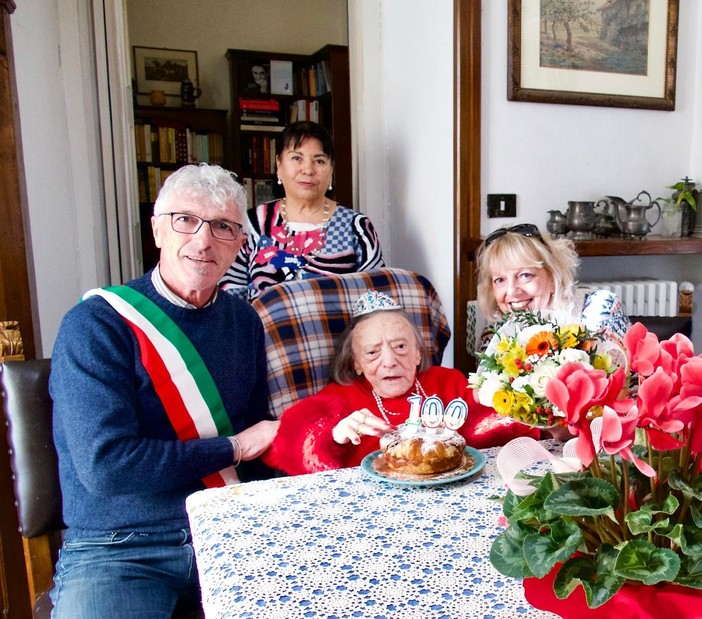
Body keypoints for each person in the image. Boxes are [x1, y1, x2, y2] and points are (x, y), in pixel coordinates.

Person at [49, 163, 279, 618]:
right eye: (185, 220)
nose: (203, 239)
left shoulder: (243, 320)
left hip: (227, 526)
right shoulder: (96, 324)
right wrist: (231, 448)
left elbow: (262, 435)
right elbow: (108, 467)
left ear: (239, 244)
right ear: (157, 230)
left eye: (223, 226)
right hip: (118, 547)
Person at [263, 290, 538, 476]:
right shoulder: (337, 399)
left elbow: (503, 424)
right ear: (356, 362)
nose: (390, 361)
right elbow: (290, 447)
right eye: (372, 352)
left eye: (401, 347)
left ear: (418, 353)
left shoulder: (448, 382)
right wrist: (333, 434)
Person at [220, 121, 385, 301]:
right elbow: (229, 294)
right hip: (261, 328)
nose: (308, 170)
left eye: (319, 161)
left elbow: (377, 296)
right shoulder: (251, 224)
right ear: (279, 164)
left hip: (339, 329)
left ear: (331, 170)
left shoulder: (356, 227)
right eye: (296, 158)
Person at [474, 223, 630, 347]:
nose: (512, 291)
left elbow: (625, 383)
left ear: (553, 277)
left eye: (525, 275)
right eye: (500, 280)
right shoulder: (494, 337)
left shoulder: (599, 310)